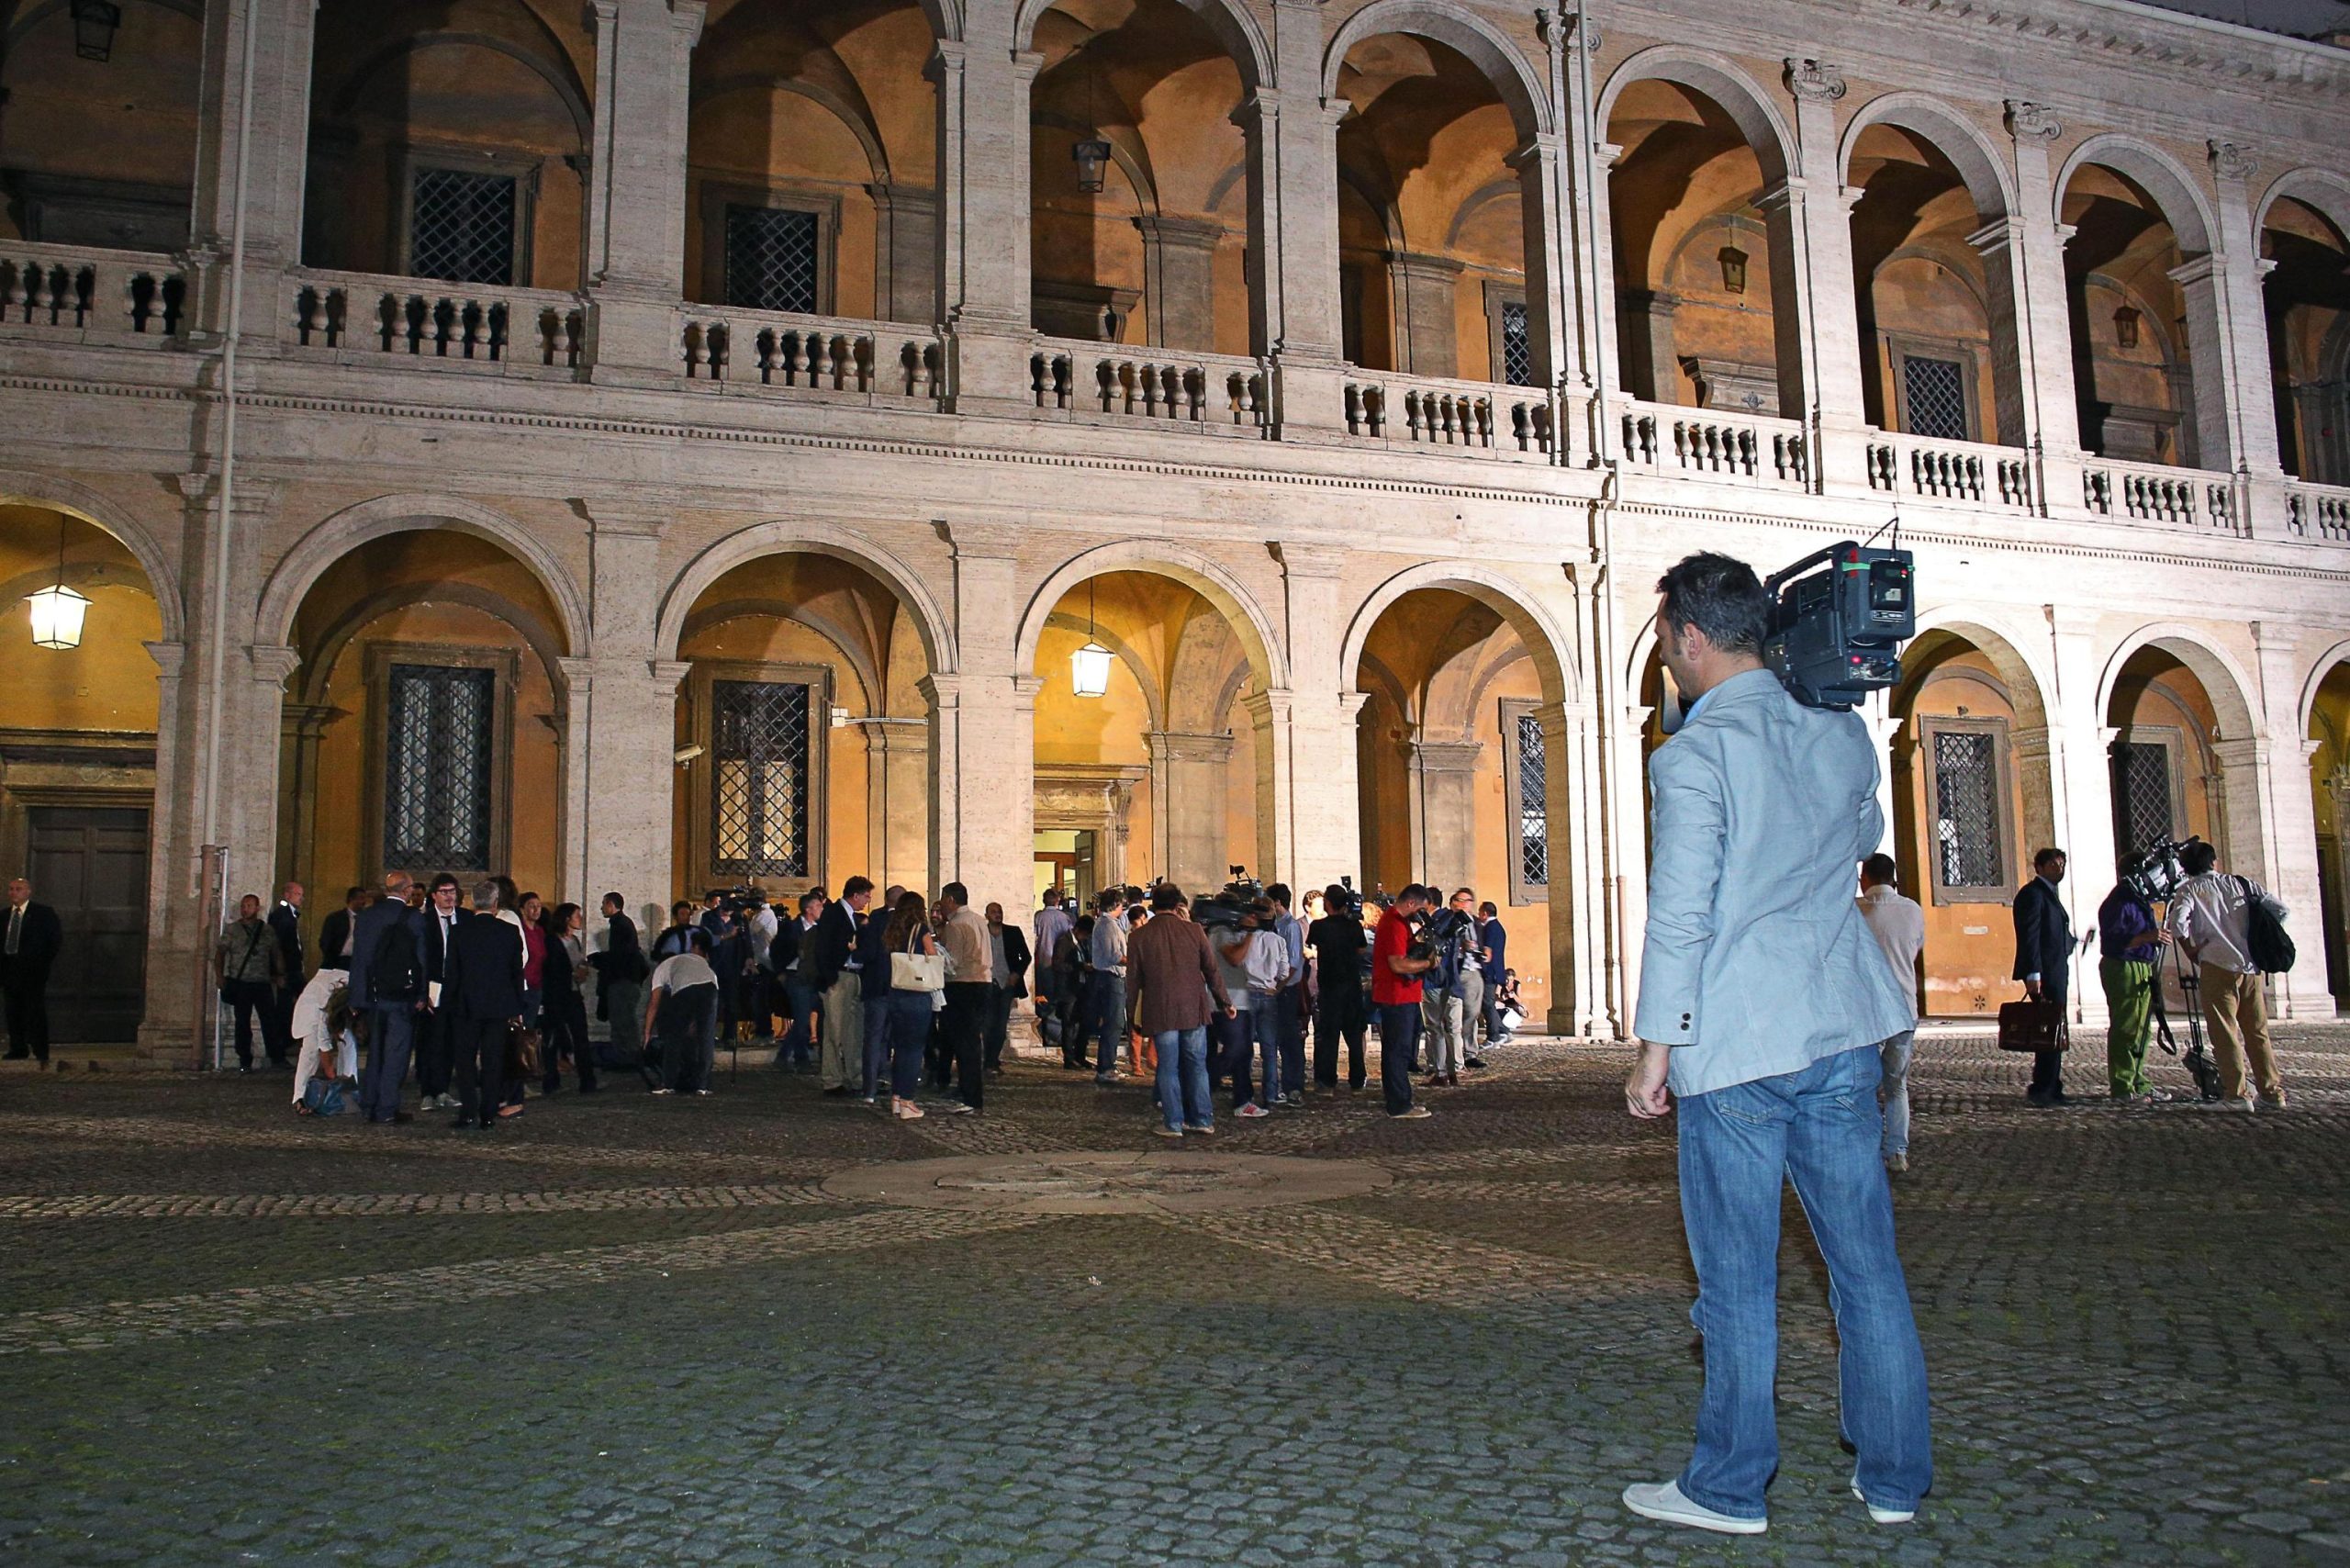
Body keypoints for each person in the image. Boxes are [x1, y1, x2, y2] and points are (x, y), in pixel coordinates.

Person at [1621, 551, 1928, 1538]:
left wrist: (1656, 1047)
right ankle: (1891, 1480)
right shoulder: (1840, 734)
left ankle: (1728, 1486)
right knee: (1866, 1269)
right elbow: (1861, 833)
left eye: (1669, 642)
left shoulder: (1693, 756)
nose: (1668, 660)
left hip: (1738, 1043)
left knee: (1739, 1281)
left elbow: (1680, 914)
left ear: (1692, 638)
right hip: (1839, 1028)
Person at [2166, 839, 2289, 1112]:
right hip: (2250, 968)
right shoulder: (2242, 884)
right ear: (2214, 862)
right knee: (2257, 1032)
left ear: (2186, 869)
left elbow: (2177, 923)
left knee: (2225, 1033)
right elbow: (2281, 910)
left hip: (2216, 966)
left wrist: (2190, 949)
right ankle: (2272, 1092)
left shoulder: (2189, 889)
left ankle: (2236, 1095)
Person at [1126, 884, 1233, 1137]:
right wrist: (1225, 1002)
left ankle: (1173, 1122)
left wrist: (1131, 1016)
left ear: (1154, 905)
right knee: (1197, 1065)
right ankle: (1202, 1119)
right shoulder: (1195, 931)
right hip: (1193, 1008)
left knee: (1168, 1066)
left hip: (1160, 1008)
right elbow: (1211, 970)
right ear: (1177, 905)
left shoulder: (1139, 937)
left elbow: (1133, 981)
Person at [1856, 854, 1926, 1171]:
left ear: (1866, 877)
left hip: (1868, 1010)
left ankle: (1867, 1148)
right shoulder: (1912, 910)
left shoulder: (1856, 911)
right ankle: (1897, 1150)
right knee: (1897, 1085)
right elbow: (1915, 948)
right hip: (1903, 1007)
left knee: (1864, 1085)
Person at [348, 869, 430, 1125]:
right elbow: (422, 959)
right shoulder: (413, 918)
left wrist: (356, 997)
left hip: (372, 994)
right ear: (406, 891)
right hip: (400, 996)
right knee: (396, 1052)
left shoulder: (367, 916)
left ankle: (369, 1103)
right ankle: (386, 1107)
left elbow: (359, 959)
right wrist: (423, 993)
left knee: (375, 1051)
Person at [443, 880, 524, 1130]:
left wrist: (447, 1005)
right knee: (493, 1060)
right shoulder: (508, 932)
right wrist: (517, 1007)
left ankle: (468, 1111)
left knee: (465, 1061)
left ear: (471, 901)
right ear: (496, 903)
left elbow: (452, 973)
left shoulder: (459, 932)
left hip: (466, 1006)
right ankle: (488, 1112)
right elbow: (516, 974)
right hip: (498, 1006)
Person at [2096, 857, 2167, 1104]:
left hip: (2141, 965)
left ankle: (2138, 1080)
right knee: (2126, 1028)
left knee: (2142, 1029)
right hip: (2123, 965)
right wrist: (2148, 937)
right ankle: (2122, 1085)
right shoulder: (2119, 901)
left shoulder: (2139, 899)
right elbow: (2114, 941)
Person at [2010, 847, 2077, 1106]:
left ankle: (2051, 1084)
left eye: (2062, 864)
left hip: (2057, 970)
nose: (2059, 868)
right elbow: (2031, 936)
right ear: (2039, 867)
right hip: (2046, 974)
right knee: (2048, 1030)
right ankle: (2044, 1086)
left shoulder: (2050, 894)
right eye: (2053, 864)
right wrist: (2033, 973)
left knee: (2054, 1029)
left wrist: (2073, 942)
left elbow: (2053, 935)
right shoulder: (2033, 894)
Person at [1215, 899, 1291, 1114]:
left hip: (1246, 994)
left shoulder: (1241, 938)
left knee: (1244, 1048)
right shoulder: (1277, 941)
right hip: (1268, 995)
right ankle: (1271, 1093)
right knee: (1269, 1048)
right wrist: (1276, 988)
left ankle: (1244, 1092)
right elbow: (1284, 972)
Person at [1370, 886, 1437, 1120]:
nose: (1421, 915)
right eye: (1420, 909)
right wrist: (1427, 964)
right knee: (1398, 1051)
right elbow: (1397, 964)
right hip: (1397, 995)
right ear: (1410, 904)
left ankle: (1398, 1099)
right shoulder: (1395, 924)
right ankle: (1399, 1104)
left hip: (1400, 994)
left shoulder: (1395, 921)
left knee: (1396, 1049)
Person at [880, 890, 940, 1118]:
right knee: (915, 1050)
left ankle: (896, 1097)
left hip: (895, 993)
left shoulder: (892, 929)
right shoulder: (920, 930)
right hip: (916, 994)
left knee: (900, 1047)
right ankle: (907, 1100)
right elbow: (932, 956)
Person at [810, 878, 870, 1097]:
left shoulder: (852, 917)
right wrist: (830, 977)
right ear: (856, 895)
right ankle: (832, 1079)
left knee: (853, 1031)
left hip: (854, 975)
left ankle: (855, 1076)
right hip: (839, 976)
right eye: (866, 896)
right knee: (834, 1030)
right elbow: (823, 946)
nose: (867, 901)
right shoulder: (834, 913)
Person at [214, 893, 286, 1071]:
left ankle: (277, 1057)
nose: (245, 909)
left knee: (269, 1021)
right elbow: (220, 952)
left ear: (257, 908)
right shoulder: (232, 930)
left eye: (249, 906)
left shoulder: (267, 930)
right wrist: (220, 976)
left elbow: (276, 952)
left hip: (262, 982)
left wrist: (280, 974)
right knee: (242, 1023)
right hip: (241, 982)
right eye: (243, 906)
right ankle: (245, 1060)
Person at [1307, 886, 1370, 1092]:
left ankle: (1327, 1081)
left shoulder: (1319, 926)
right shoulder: (1354, 926)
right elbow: (1361, 949)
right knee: (1354, 1037)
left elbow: (1313, 945)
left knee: (1329, 1037)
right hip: (1351, 985)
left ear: (1328, 903)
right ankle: (1357, 1080)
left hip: (1329, 985)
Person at [936, 882, 991, 1112]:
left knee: (965, 1044)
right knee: (972, 1042)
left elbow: (953, 962)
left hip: (962, 985)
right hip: (983, 983)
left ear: (950, 899)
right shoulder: (980, 920)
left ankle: (970, 1095)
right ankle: (968, 1089)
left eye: (942, 899)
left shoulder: (955, 925)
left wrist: (936, 955)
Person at [643, 942, 721, 1097]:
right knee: (706, 1038)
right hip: (711, 986)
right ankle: (703, 1086)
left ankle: (668, 1084)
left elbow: (654, 1003)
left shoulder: (662, 967)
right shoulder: (695, 959)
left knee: (674, 1038)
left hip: (685, 989)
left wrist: (647, 1033)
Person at [417, 873, 466, 1110]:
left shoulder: (466, 919)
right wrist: (421, 990)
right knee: (430, 1040)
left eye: (452, 891)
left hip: (458, 989)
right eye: (444, 892)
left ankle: (444, 1089)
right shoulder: (424, 921)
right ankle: (428, 1091)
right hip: (432, 987)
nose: (449, 897)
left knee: (451, 1041)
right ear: (434, 895)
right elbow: (420, 958)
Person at [541, 902, 599, 1094]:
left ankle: (587, 1080)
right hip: (557, 996)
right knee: (554, 1038)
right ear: (567, 918)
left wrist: (582, 971)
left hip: (573, 994)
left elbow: (578, 963)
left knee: (581, 1037)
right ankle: (551, 1079)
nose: (580, 919)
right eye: (577, 915)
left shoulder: (574, 941)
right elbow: (553, 969)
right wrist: (574, 974)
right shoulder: (552, 941)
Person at [591, 892, 649, 1077]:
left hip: (622, 981)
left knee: (622, 1020)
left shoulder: (620, 926)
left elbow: (620, 956)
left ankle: (627, 1056)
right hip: (626, 979)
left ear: (610, 904)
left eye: (603, 904)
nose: (601, 908)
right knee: (623, 1020)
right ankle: (626, 1056)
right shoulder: (623, 924)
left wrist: (597, 959)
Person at [289, 963, 357, 1114]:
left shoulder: (356, 991)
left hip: (334, 1000)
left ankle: (349, 1092)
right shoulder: (327, 1008)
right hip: (313, 1006)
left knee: (349, 1042)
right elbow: (323, 1044)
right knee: (310, 1050)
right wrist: (332, 1076)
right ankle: (300, 1098)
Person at [770, 889, 825, 1071]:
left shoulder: (819, 929)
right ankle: (790, 1057)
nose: (821, 909)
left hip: (811, 977)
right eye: (818, 906)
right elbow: (776, 949)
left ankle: (795, 1057)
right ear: (808, 909)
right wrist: (780, 971)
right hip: (794, 976)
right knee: (801, 1018)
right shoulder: (791, 928)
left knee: (805, 1016)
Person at [1265, 884, 1309, 1102]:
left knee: (1289, 1039)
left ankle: (1293, 1084)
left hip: (1287, 989)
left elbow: (1293, 963)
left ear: (1277, 904)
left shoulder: (1290, 927)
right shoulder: (1275, 925)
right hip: (1279, 987)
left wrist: (1279, 987)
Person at [856, 884, 900, 1103]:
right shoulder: (910, 921)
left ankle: (870, 1089)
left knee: (873, 1038)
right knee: (896, 1039)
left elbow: (869, 952)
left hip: (877, 986)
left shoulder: (876, 918)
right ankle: (898, 1089)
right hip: (902, 988)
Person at [1084, 887, 1128, 1084]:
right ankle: (1106, 1067)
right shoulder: (1107, 925)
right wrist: (1132, 960)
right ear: (1117, 905)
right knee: (1114, 1022)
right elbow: (1114, 955)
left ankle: (1108, 1065)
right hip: (1110, 977)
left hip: (1110, 977)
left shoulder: (1108, 923)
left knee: (1114, 1022)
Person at [984, 902, 1031, 1075]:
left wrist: (1017, 974)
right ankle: (989, 1061)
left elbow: (1025, 956)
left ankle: (992, 1060)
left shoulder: (1013, 932)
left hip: (1006, 984)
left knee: (1001, 1024)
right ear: (987, 915)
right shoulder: (982, 932)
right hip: (987, 983)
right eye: (994, 912)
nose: (998, 914)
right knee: (987, 1024)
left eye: (1000, 912)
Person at [268, 881, 306, 1069]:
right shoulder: (281, 916)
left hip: (292, 969)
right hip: (288, 970)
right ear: (288, 895)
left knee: (291, 1006)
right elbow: (278, 946)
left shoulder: (289, 915)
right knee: (284, 1010)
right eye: (298, 894)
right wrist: (279, 972)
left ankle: (287, 1043)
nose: (301, 898)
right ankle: (281, 1048)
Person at [1054, 914, 1091, 1069]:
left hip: (1080, 986)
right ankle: (1069, 1058)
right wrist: (1080, 966)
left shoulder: (1081, 943)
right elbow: (1058, 965)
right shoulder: (1064, 942)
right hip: (1069, 988)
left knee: (1082, 1023)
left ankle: (1080, 1056)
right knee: (1069, 1024)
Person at [1473, 902, 1508, 1060]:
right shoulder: (1498, 927)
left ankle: (1494, 1036)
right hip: (1496, 971)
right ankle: (1503, 1031)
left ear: (1484, 913)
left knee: (1487, 1003)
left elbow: (1487, 952)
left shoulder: (1490, 928)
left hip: (1489, 972)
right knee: (1488, 1003)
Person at [1033, 889, 1071, 1019]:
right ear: (1057, 900)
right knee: (1060, 993)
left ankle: (1048, 1025)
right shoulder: (1065, 917)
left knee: (1045, 994)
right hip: (1062, 960)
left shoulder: (1039, 917)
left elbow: (1034, 938)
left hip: (1044, 959)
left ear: (1044, 900)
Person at [318, 885, 365, 973]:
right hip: (337, 961)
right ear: (351, 899)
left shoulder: (365, 920)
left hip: (356, 962)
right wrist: (330, 956)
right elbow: (325, 941)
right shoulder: (335, 918)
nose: (364, 902)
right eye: (361, 898)